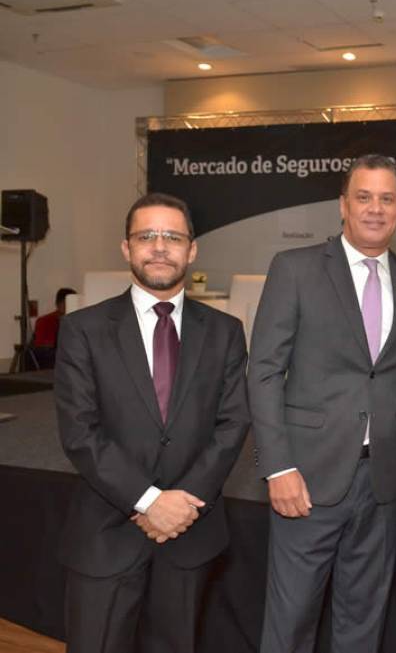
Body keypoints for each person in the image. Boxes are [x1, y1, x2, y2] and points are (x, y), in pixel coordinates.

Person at [250, 154, 396, 653]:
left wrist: (391, 419)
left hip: (382, 480)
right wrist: (278, 467)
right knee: (291, 621)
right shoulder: (295, 269)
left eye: (387, 199)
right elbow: (263, 372)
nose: (375, 209)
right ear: (342, 205)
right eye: (364, 197)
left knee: (363, 621)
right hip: (305, 478)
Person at [54, 193, 250, 653]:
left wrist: (180, 506)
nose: (160, 247)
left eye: (172, 237)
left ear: (192, 249)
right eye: (147, 236)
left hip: (189, 533)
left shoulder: (225, 332)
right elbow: (80, 432)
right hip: (106, 533)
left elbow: (233, 423)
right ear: (127, 247)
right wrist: (148, 501)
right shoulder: (83, 329)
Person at [32, 286, 76, 368]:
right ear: (59, 304)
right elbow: (43, 350)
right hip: (50, 364)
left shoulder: (76, 321)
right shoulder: (45, 321)